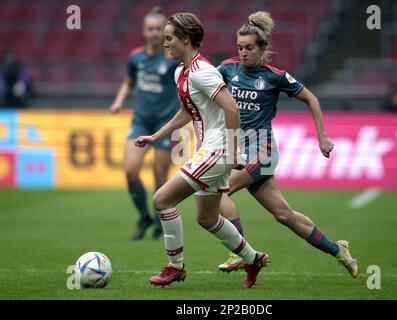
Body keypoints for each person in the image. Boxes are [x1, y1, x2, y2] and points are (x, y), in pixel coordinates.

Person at [215, 11, 359, 278]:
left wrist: (322, 136)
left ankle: (239, 252)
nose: (243, 53)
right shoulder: (226, 69)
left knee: (218, 191)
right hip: (241, 151)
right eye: (240, 47)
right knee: (284, 214)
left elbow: (311, 99)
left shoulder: (275, 76)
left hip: (262, 150)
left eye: (249, 48)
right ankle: (339, 250)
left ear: (263, 49)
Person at [135, 12, 268, 288]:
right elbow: (186, 113)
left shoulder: (203, 72)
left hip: (218, 150)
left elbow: (231, 107)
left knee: (161, 200)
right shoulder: (181, 72)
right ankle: (253, 258)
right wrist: (155, 136)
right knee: (207, 218)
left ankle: (176, 267)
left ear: (186, 39)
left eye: (170, 37)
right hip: (210, 149)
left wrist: (233, 152)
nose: (165, 42)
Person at [110, 7, 179, 240]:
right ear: (143, 30)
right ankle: (143, 217)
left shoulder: (172, 59)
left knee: (160, 178)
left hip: (165, 124)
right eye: (150, 28)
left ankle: (160, 223)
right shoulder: (136, 57)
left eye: (159, 29)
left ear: (165, 31)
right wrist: (118, 102)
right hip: (140, 121)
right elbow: (129, 82)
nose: (154, 33)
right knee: (130, 171)